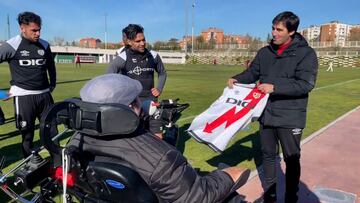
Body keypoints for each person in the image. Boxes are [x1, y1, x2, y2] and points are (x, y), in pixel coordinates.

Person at [68, 74, 250, 203]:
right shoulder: (161, 158)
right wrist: (227, 176)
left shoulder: (74, 142)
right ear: (131, 107)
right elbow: (196, 197)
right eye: (138, 100)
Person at [228, 11, 318, 203]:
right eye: (272, 28)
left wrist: (274, 88)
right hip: (267, 114)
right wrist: (237, 78)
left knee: (291, 159)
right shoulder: (264, 52)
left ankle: (291, 197)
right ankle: (270, 196)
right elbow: (252, 73)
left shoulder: (306, 54)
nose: (273, 33)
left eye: (279, 30)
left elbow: (305, 84)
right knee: (268, 156)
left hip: (290, 116)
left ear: (291, 31)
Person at [0, 11, 57, 158]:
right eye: (34, 30)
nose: (37, 33)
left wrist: (52, 83)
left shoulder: (44, 45)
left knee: (53, 132)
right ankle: (30, 165)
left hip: (45, 96)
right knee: (27, 135)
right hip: (24, 97)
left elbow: (51, 66)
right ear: (22, 28)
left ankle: (57, 164)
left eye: (39, 30)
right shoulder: (11, 46)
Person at [107, 24, 167, 139]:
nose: (142, 43)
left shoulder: (153, 55)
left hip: (152, 102)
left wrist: (159, 88)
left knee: (158, 138)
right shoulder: (123, 57)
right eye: (138, 41)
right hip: (133, 104)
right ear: (129, 42)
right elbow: (109, 76)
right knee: (135, 137)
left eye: (143, 39)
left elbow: (163, 73)